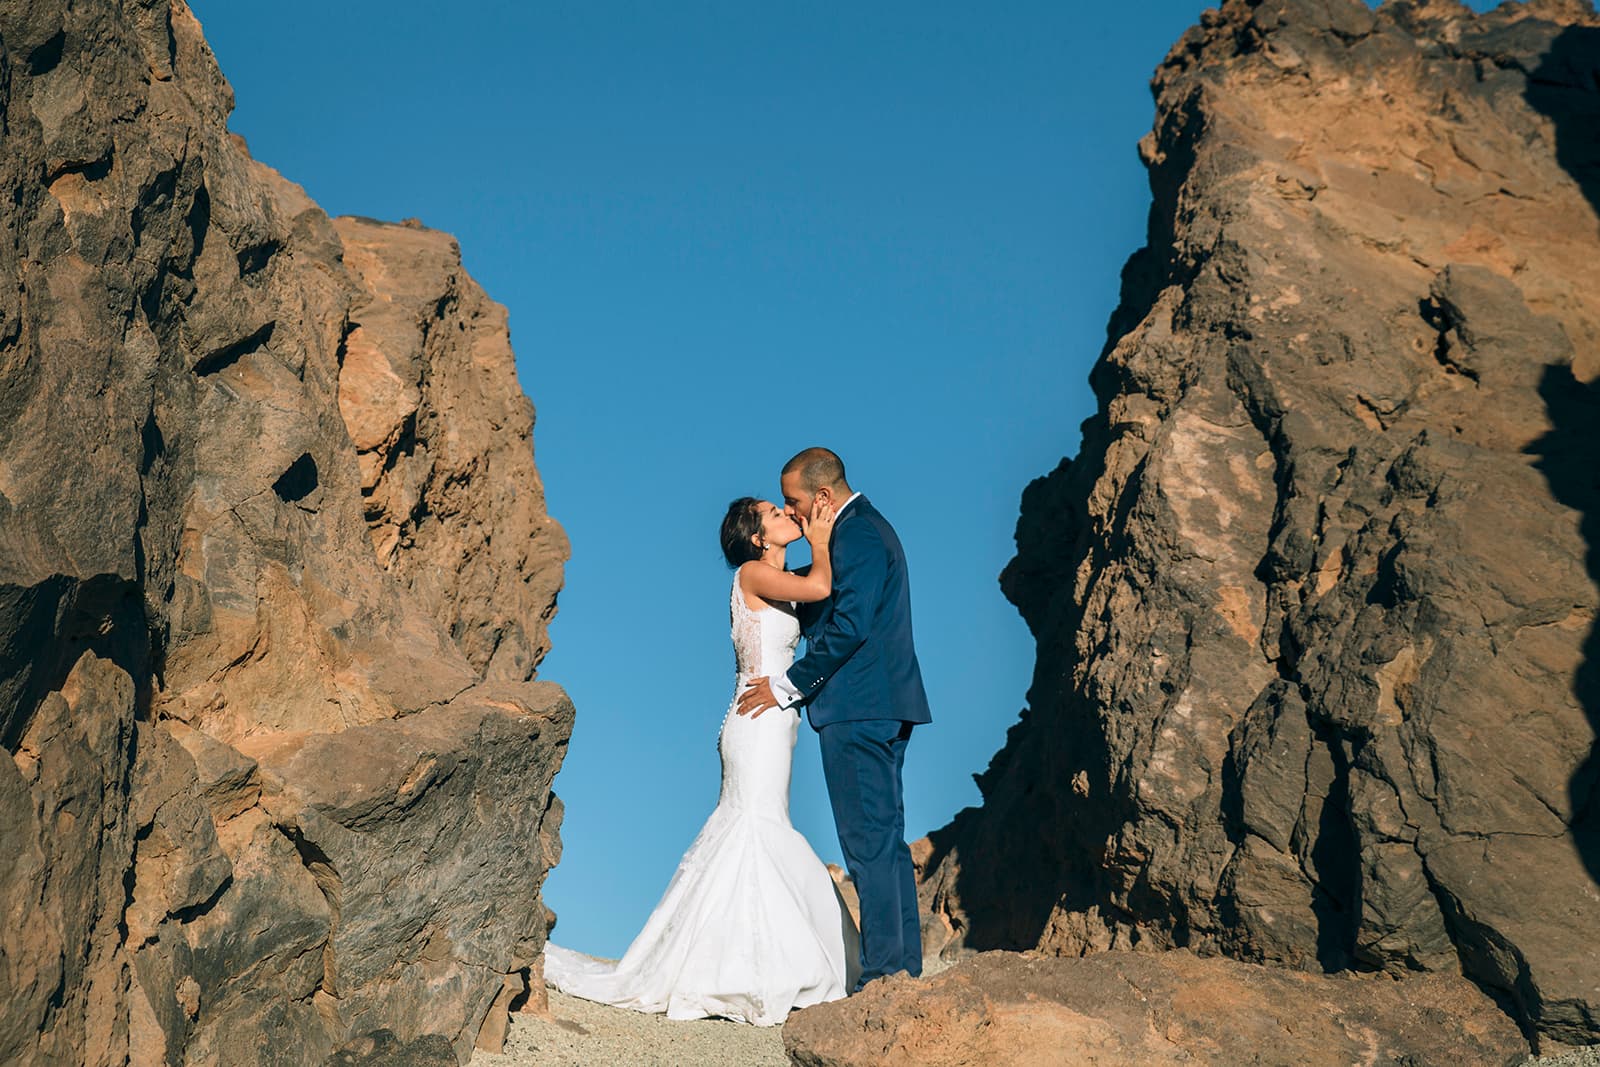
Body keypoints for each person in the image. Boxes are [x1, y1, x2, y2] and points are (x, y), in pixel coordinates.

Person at [543, 495, 855, 1026]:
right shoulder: (754, 574)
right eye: (774, 513)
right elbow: (822, 587)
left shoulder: (774, 575)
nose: (786, 513)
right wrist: (823, 536)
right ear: (758, 537)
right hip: (755, 724)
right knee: (757, 829)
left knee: (757, 828)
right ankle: (756, 972)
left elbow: (816, 589)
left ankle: (751, 964)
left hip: (772, 721)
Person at [736, 446, 931, 991]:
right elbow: (814, 591)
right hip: (877, 704)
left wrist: (786, 686)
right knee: (885, 841)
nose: (791, 511)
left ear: (822, 496)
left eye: (793, 502)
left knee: (868, 842)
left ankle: (885, 975)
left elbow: (848, 625)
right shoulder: (853, 534)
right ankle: (901, 971)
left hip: (859, 706)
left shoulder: (860, 535)